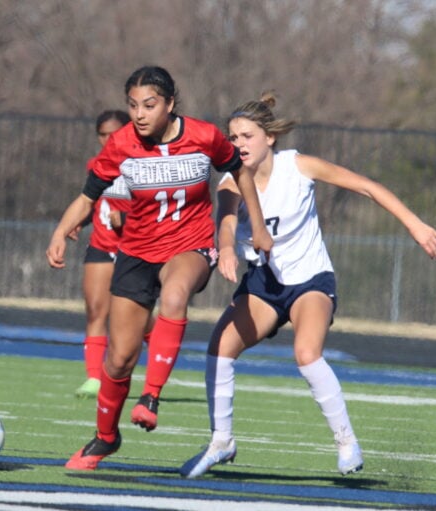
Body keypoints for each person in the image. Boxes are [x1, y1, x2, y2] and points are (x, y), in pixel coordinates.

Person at [179, 92, 436, 478]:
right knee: (219, 347)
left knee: (306, 353)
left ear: (269, 137)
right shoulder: (230, 183)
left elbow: (368, 186)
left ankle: (346, 442)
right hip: (265, 284)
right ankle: (222, 441)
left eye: (246, 135)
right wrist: (226, 249)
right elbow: (224, 222)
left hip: (310, 281)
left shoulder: (298, 166)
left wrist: (415, 226)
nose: (238, 144)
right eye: (233, 138)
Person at [45, 65, 272, 471]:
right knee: (118, 360)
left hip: (191, 246)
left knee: (175, 293)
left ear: (170, 104)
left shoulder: (204, 137)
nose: (139, 114)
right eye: (133, 106)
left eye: (149, 105)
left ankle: (150, 396)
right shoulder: (121, 144)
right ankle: (105, 438)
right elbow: (87, 196)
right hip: (135, 255)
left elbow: (239, 171)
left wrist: (255, 225)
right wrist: (62, 231)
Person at [75, 109, 131, 399]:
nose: (109, 139)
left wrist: (129, 220)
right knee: (96, 310)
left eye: (115, 133)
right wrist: (74, 223)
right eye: (103, 134)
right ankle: (94, 378)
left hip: (134, 249)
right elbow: (91, 203)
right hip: (101, 245)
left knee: (136, 319)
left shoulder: (143, 163)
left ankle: (157, 356)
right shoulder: (95, 165)